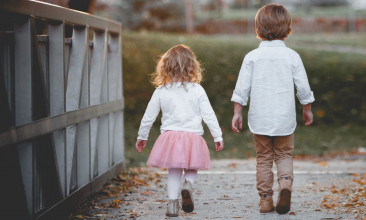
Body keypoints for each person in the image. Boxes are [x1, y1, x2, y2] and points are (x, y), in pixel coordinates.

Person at [231, 4, 315, 214]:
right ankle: (285, 183)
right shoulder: (292, 56)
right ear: (287, 27)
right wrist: (307, 108)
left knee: (264, 158)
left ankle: (266, 200)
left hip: (260, 118)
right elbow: (303, 86)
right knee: (284, 154)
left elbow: (242, 88)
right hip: (284, 118)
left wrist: (237, 112)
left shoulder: (251, 57)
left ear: (258, 27)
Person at [136, 44, 224, 217]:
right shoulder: (197, 90)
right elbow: (209, 115)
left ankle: (172, 205)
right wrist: (217, 135)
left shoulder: (161, 91)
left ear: (165, 66)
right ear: (192, 66)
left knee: (174, 171)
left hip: (170, 138)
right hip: (193, 137)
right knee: (192, 168)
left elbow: (148, 116)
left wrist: (142, 136)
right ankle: (188, 185)